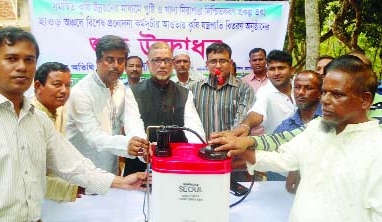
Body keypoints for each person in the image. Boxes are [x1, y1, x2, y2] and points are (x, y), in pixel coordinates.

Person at [0, 27, 147, 222]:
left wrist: (122, 182)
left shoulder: (38, 120)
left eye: (29, 60)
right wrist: (126, 148)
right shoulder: (81, 93)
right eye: (12, 59)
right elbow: (93, 137)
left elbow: (74, 166)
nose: (22, 67)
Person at [210, 55, 382, 222]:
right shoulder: (317, 128)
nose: (325, 100)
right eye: (324, 92)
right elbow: (282, 158)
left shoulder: (381, 149)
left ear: (365, 100)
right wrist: (240, 149)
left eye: (337, 94)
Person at [67, 35, 148, 175]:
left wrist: (141, 147)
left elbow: (132, 121)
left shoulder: (122, 89)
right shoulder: (80, 93)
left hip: (111, 169)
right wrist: (125, 145)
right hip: (81, 171)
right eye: (110, 60)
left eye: (120, 60)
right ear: (98, 61)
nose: (116, 65)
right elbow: (93, 136)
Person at [124, 42, 205, 175]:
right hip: (141, 164)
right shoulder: (133, 92)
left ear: (172, 64)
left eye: (167, 60)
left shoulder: (185, 93)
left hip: (177, 163)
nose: (162, 65)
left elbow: (194, 129)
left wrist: (195, 154)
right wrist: (143, 151)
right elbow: (133, 126)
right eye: (157, 60)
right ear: (148, 64)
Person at [33, 62, 83, 202]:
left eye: (67, 85)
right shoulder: (30, 117)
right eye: (57, 84)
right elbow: (29, 177)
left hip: (55, 195)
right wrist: (73, 189)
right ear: (38, 86)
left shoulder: (60, 110)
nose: (64, 90)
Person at [189, 42, 255, 139]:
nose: (218, 66)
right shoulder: (194, 89)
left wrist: (225, 142)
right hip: (202, 148)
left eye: (223, 61)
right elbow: (191, 122)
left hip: (233, 149)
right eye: (213, 61)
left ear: (230, 63)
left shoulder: (244, 89)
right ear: (207, 64)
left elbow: (241, 122)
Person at [272, 70, 323, 189]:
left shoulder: (331, 120)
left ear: (320, 93)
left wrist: (299, 168)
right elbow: (272, 154)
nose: (301, 92)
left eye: (308, 88)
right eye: (297, 87)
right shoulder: (285, 126)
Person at [234, 50, 296, 136]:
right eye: (272, 69)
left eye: (281, 68)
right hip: (279, 146)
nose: (276, 73)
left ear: (292, 70)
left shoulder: (300, 86)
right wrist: (245, 125)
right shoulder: (264, 92)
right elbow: (257, 111)